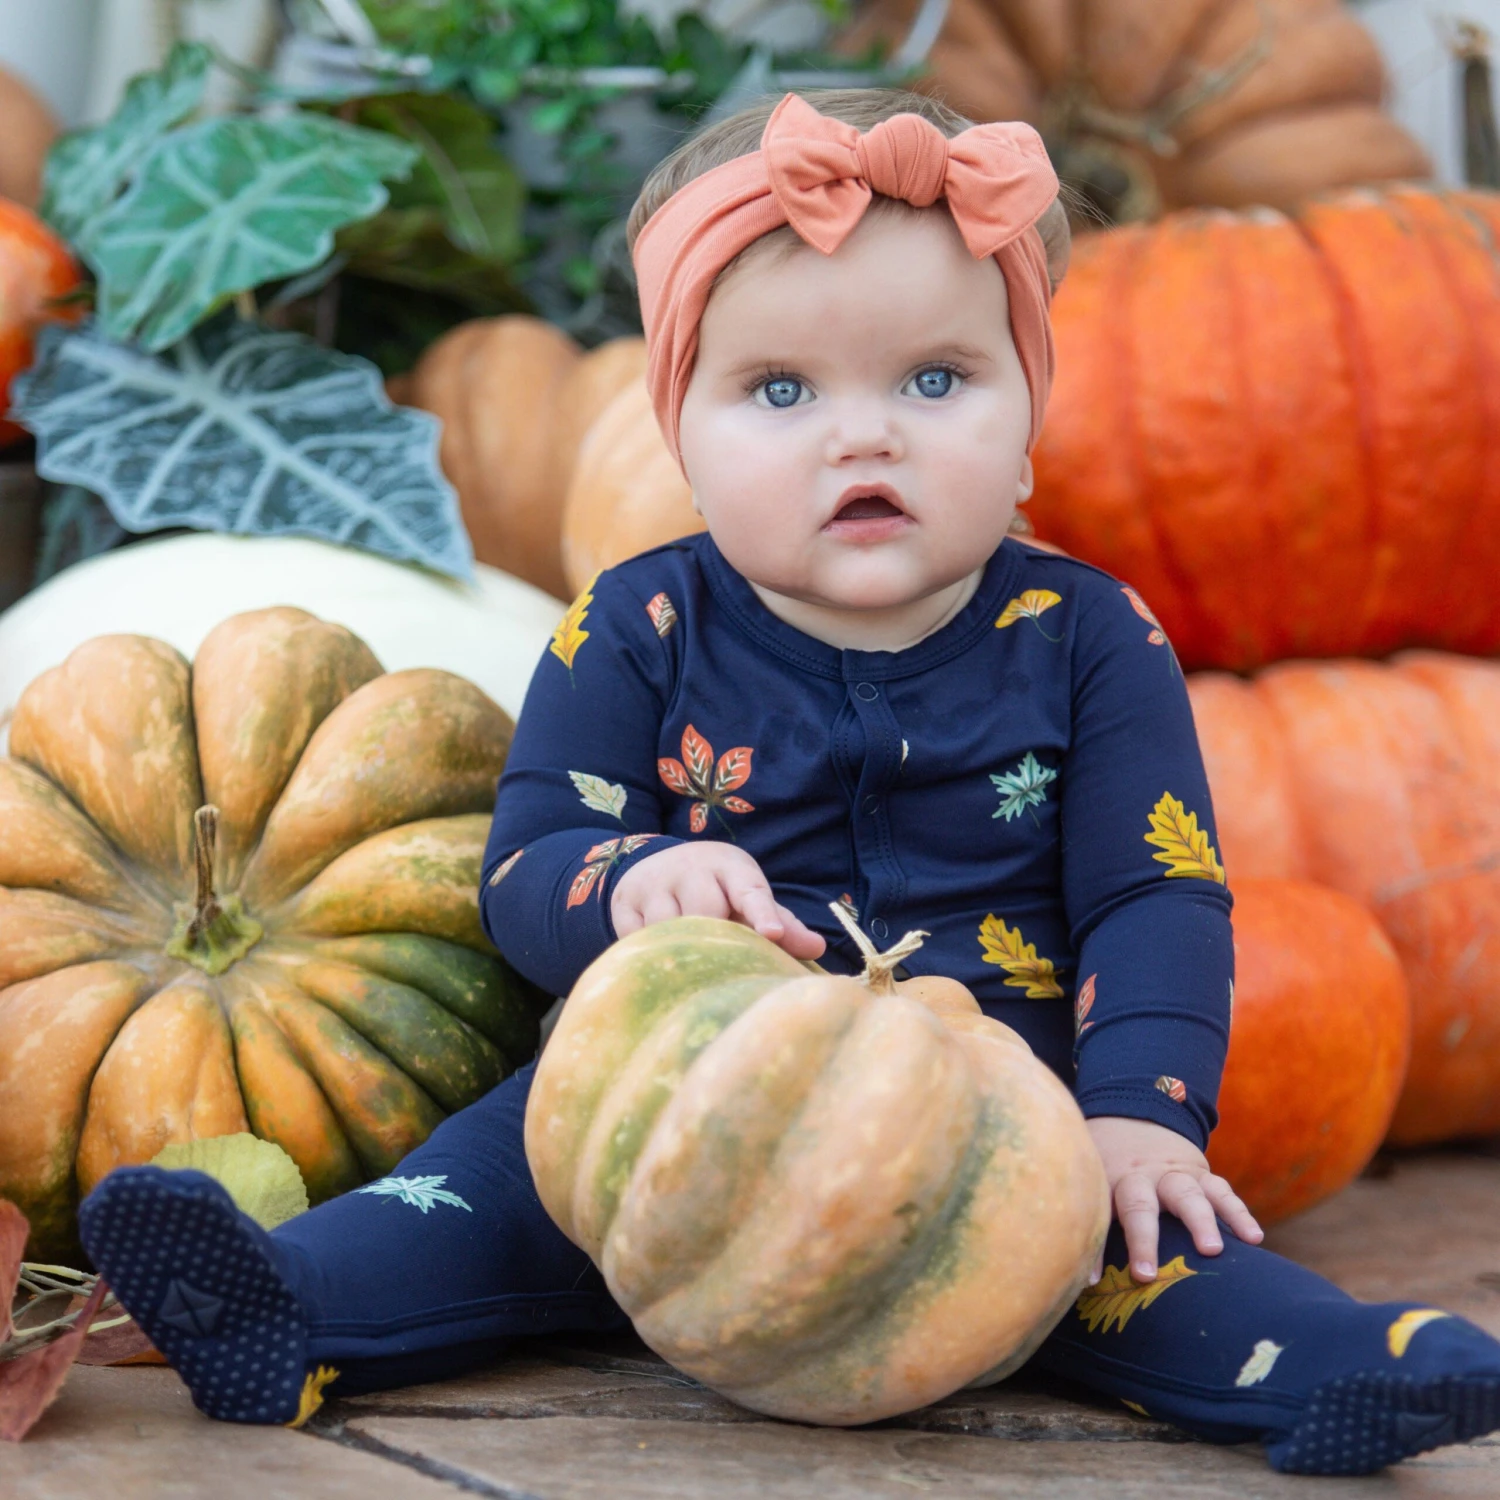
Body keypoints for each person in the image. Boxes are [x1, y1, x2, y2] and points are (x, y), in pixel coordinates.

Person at [78, 89, 1500, 1474]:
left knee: (1159, 1255)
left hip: (994, 1133)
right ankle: (282, 1301)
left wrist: (1141, 1114)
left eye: (937, 379)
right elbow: (523, 866)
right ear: (680, 436)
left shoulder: (1092, 639)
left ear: (1028, 429)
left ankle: (1331, 1369)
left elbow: (1156, 889)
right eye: (779, 389)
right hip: (661, 1100)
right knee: (473, 1194)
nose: (863, 432)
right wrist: (631, 880)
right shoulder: (633, 625)